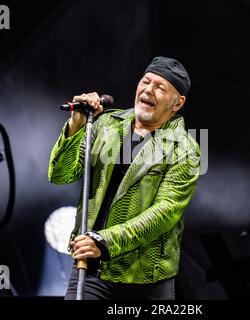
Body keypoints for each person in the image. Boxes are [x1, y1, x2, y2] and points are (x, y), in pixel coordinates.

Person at [48, 56, 200, 300]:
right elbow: (60, 175)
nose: (148, 89)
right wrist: (75, 126)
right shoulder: (107, 124)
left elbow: (165, 212)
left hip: (146, 278)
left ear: (177, 103)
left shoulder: (185, 148)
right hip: (93, 270)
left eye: (160, 87)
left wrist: (105, 241)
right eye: (146, 81)